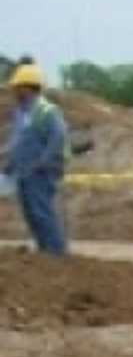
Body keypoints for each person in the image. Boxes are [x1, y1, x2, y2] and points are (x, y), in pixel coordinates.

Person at [5, 65, 68, 256]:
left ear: (29, 87)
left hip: (41, 171)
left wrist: (43, 160)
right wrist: (8, 161)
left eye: (18, 87)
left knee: (41, 211)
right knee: (30, 213)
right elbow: (17, 141)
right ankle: (44, 250)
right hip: (23, 170)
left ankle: (56, 253)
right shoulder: (21, 112)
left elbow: (58, 137)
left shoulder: (47, 111)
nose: (14, 91)